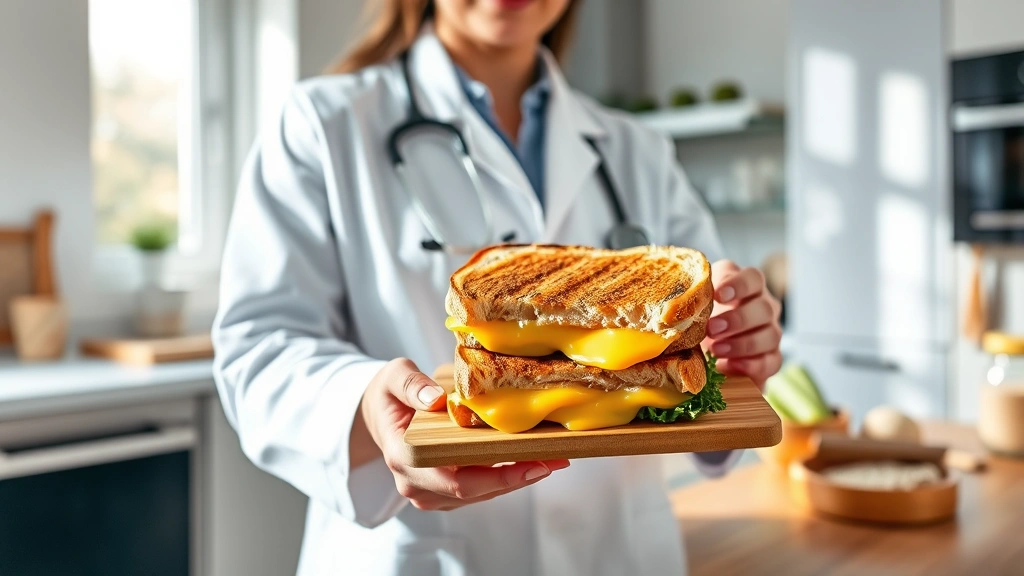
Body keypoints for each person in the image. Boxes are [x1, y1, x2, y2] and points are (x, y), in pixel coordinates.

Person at [212, 0, 782, 574]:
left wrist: (737, 349)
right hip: (418, 554)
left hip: (618, 549)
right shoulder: (321, 124)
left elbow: (709, 375)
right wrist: (364, 406)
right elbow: (258, 353)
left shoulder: (637, 149)